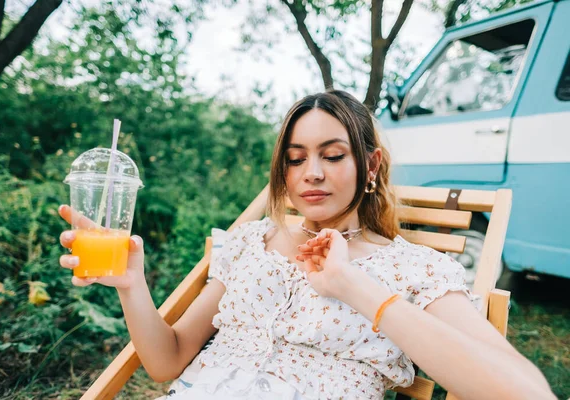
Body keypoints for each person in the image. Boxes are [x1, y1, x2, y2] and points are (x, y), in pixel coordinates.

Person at [58, 90, 555, 399]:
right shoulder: (252, 242)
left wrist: (353, 286)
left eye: (333, 155)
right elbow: (166, 363)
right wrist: (131, 283)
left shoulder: (414, 269)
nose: (311, 173)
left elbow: (525, 394)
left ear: (372, 165)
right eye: (295, 160)